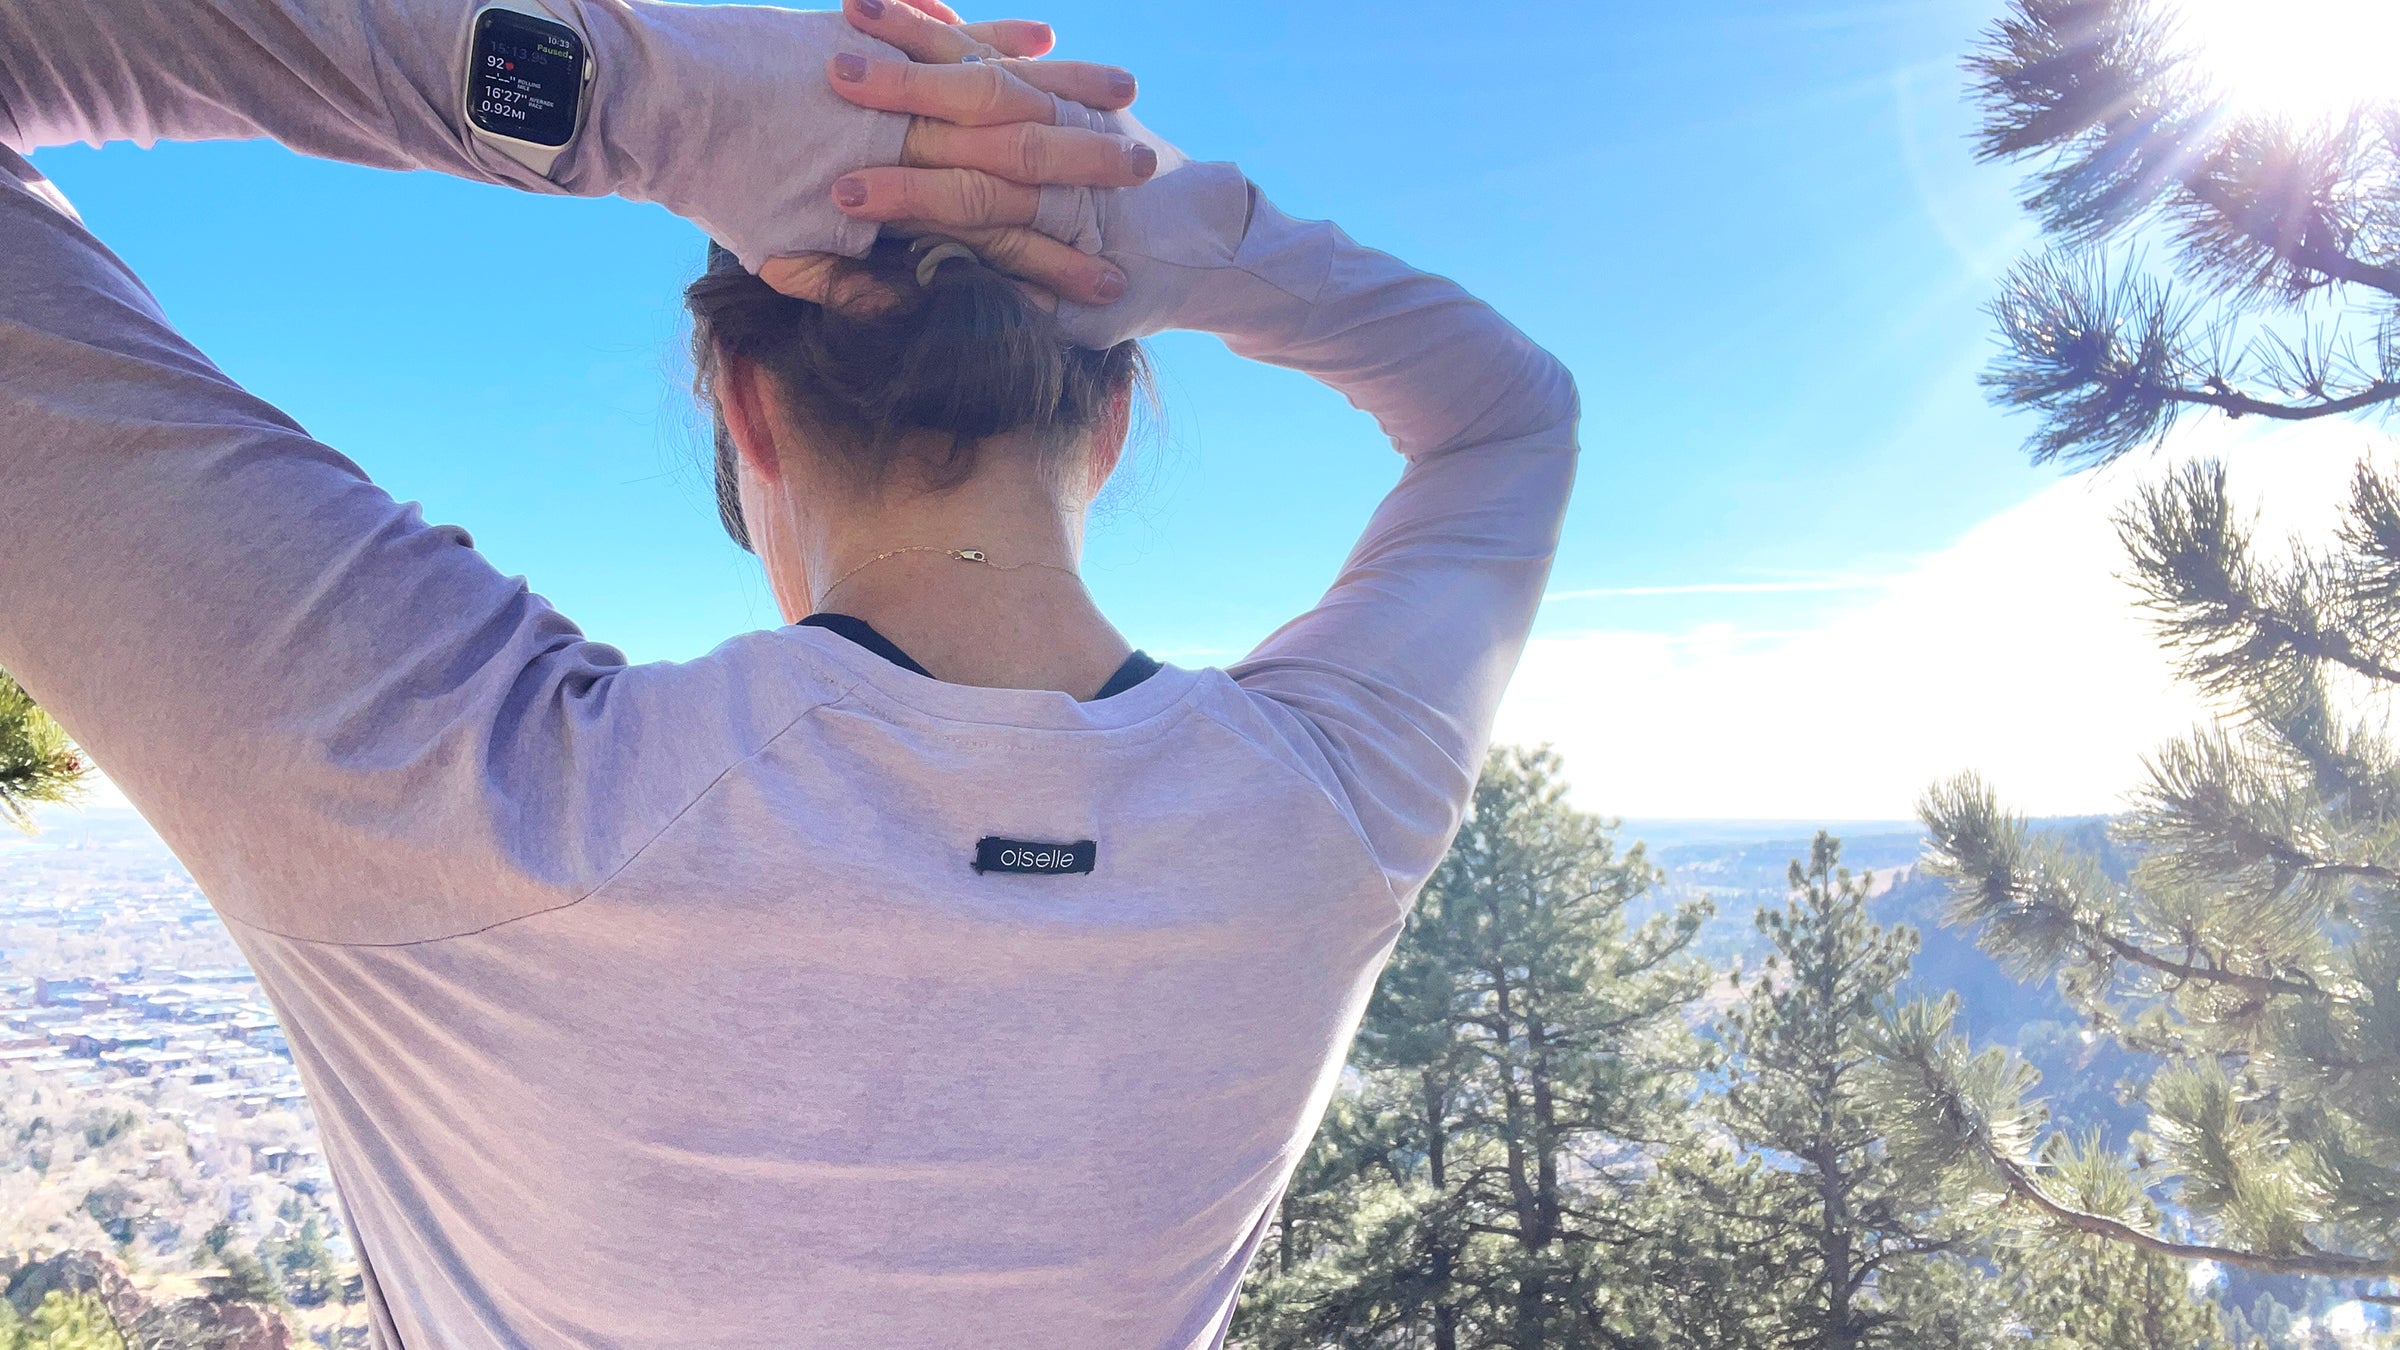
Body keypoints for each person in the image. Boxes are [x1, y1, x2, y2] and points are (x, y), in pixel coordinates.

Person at [0, 0, 1579, 1345]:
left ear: (744, 415)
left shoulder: (452, 786)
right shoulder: (1323, 815)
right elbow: (1509, 413)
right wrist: (1193, 231)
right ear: (1104, 430)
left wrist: (641, 99)